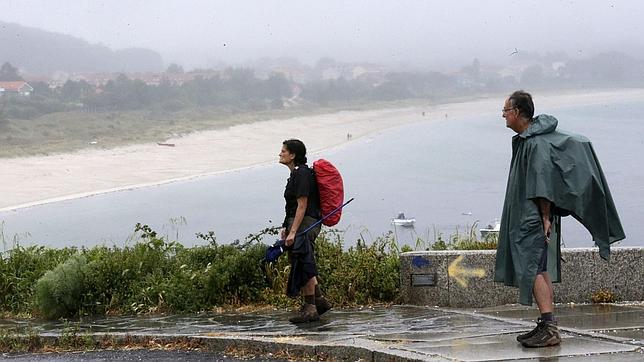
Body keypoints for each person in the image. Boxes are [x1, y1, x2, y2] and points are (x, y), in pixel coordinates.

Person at [494, 91, 625, 348]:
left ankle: (550, 328)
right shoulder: (529, 140)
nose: (503, 115)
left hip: (531, 218)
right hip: (529, 216)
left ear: (518, 112)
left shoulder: (534, 143)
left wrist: (544, 217)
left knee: (534, 269)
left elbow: (542, 184)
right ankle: (546, 324)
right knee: (538, 268)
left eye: (506, 110)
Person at [278, 139, 332, 323]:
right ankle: (319, 301)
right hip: (299, 222)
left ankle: (310, 309)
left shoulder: (301, 175)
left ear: (293, 155)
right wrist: (286, 227)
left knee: (303, 260)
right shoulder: (296, 174)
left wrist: (293, 232)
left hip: (306, 222)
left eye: (283, 151)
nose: (280, 154)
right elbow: (291, 207)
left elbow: (302, 206)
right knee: (304, 259)